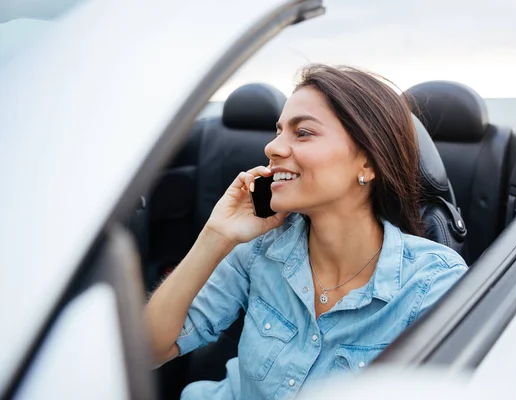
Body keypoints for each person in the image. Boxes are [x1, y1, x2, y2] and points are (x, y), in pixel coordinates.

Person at [145, 64, 467, 399]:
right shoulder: (260, 247)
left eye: (303, 133)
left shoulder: (432, 282)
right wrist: (216, 236)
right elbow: (151, 349)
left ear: (368, 163)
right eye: (278, 131)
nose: (273, 148)